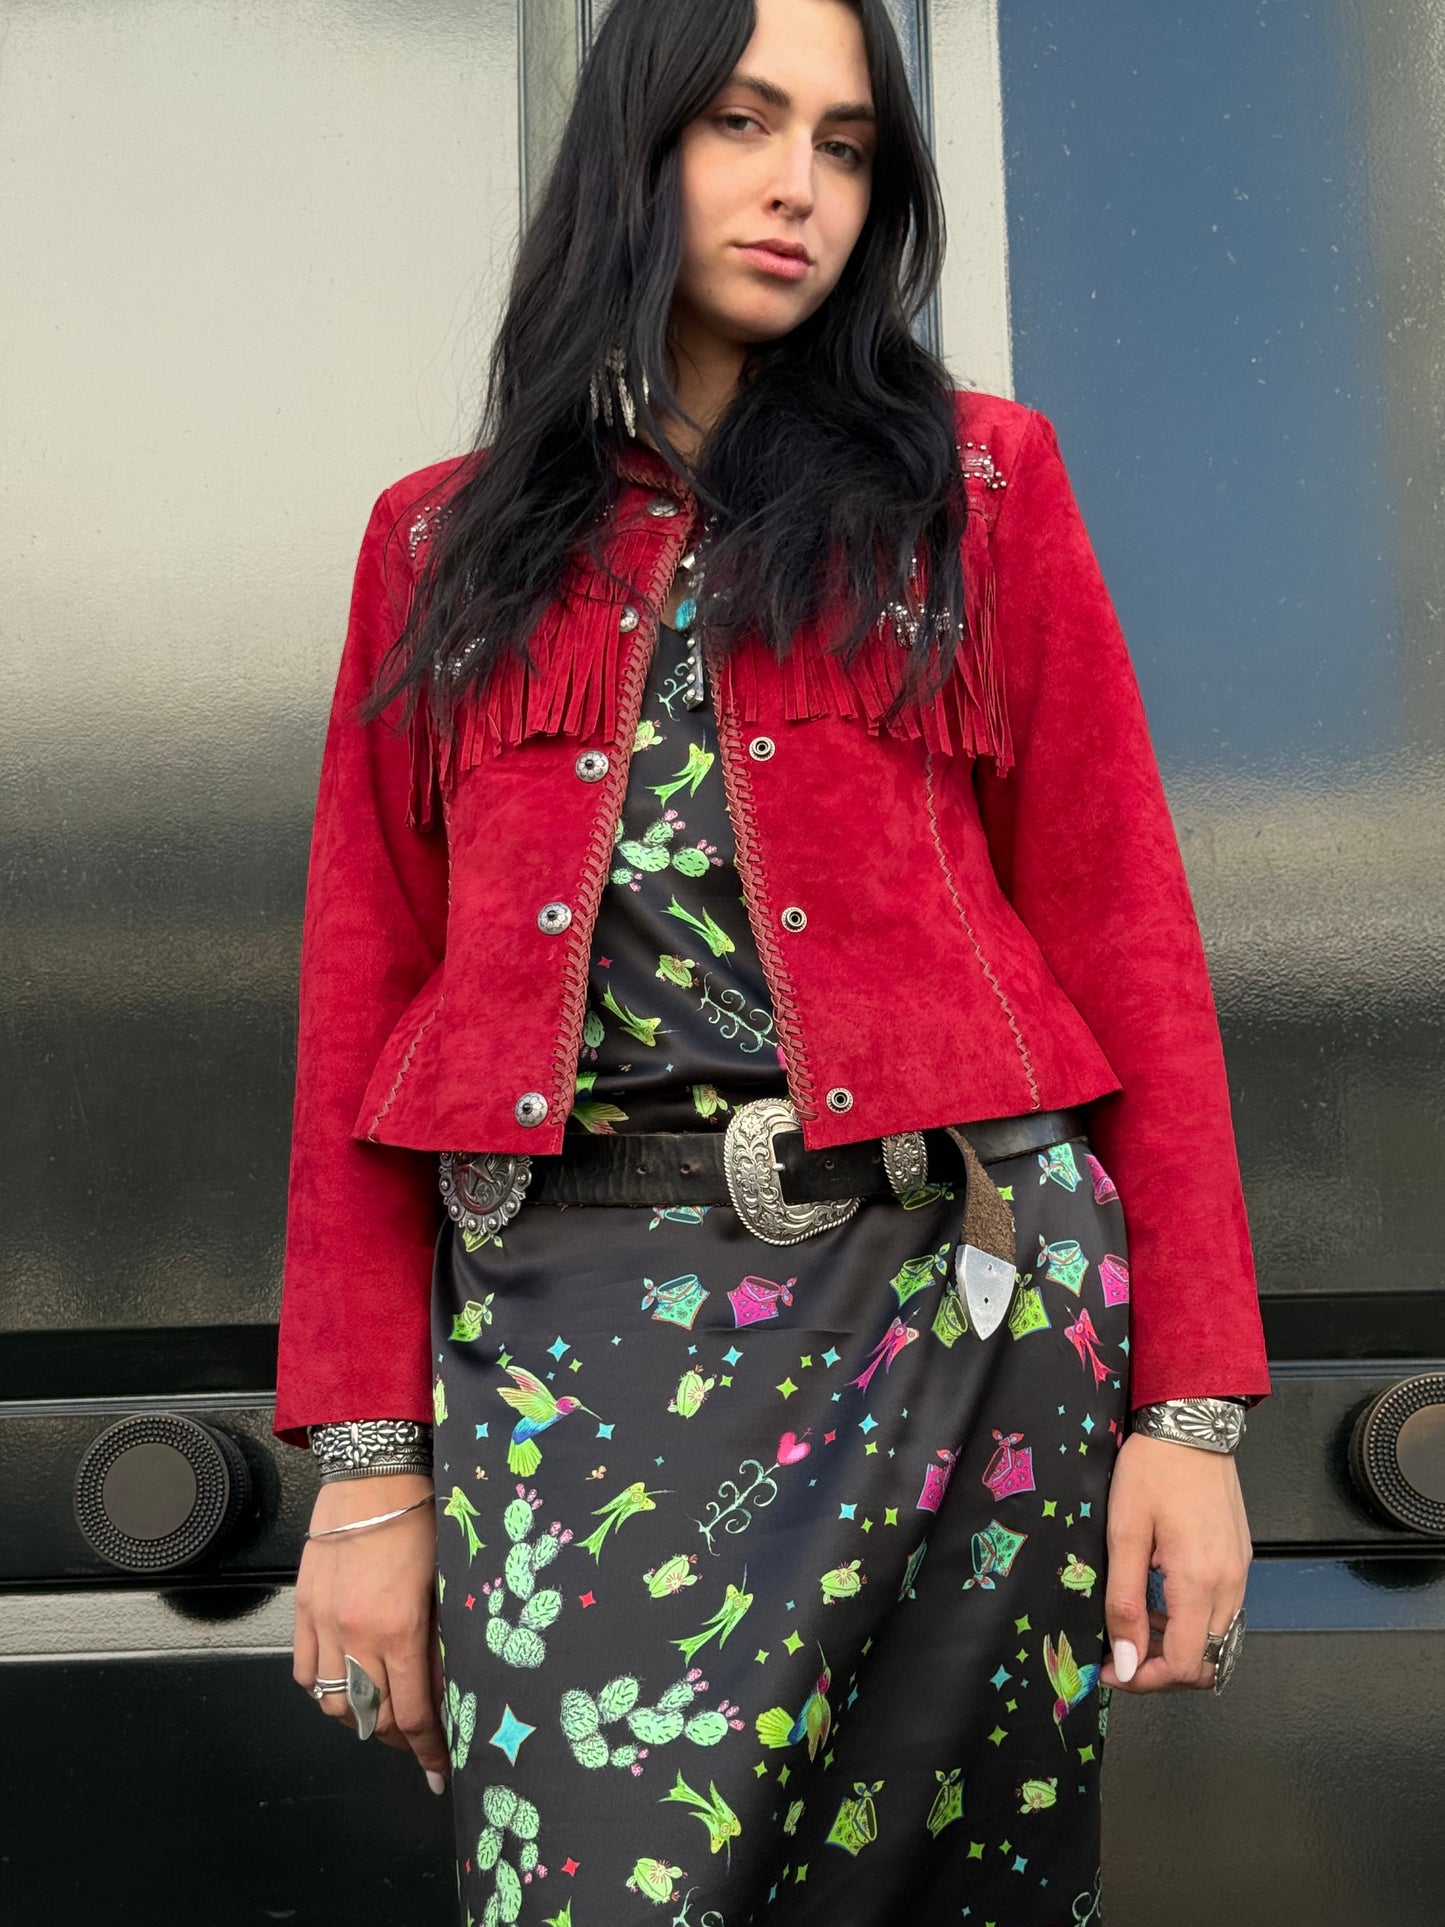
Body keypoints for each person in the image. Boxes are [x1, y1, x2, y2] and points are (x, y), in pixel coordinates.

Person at [276, 1, 1269, 1919]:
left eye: (842, 143)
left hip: (962, 1309)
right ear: (631, 156)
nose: (795, 185)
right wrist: (369, 1470)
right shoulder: (439, 547)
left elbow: (1128, 934)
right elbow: (356, 1012)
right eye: (740, 122)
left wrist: (1189, 1417)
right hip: (574, 1339)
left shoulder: (972, 492)